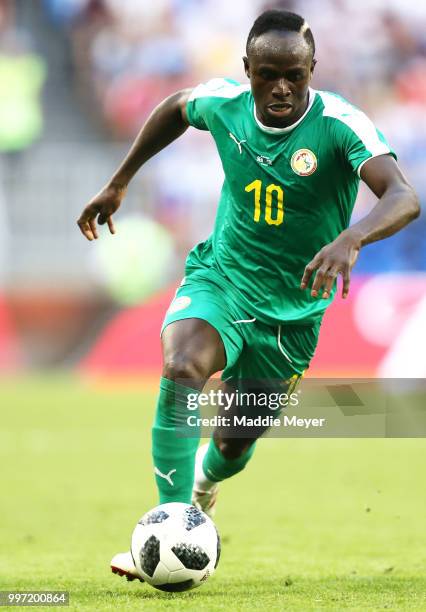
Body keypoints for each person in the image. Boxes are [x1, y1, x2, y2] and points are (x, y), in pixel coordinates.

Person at [77, 10, 419, 583]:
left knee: (233, 443)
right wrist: (120, 180)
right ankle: (172, 518)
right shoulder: (225, 103)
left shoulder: (341, 124)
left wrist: (352, 237)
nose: (280, 87)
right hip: (223, 279)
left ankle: (204, 492)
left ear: (312, 69)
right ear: (247, 70)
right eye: (266, 74)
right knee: (182, 366)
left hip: (292, 316)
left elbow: (403, 195)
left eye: (294, 75)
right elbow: (174, 108)